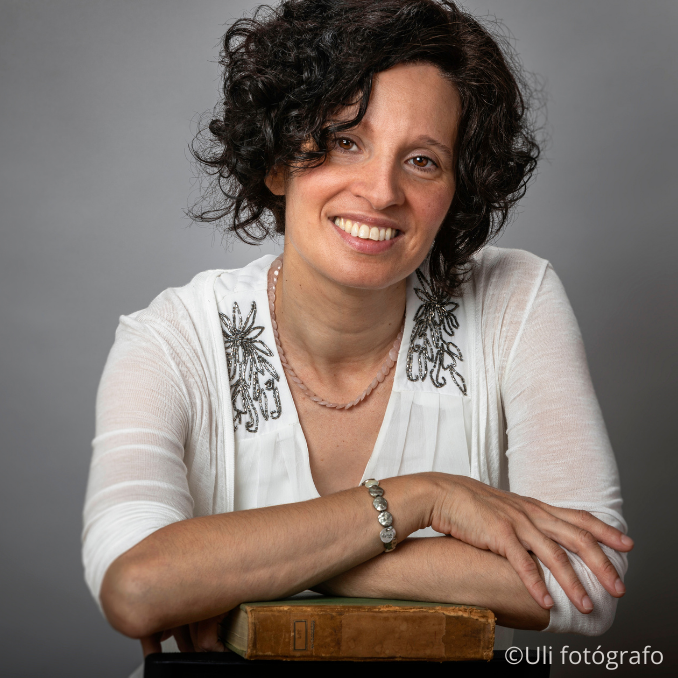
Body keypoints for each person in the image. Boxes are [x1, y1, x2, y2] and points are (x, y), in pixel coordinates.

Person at [82, 0, 632, 666]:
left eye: (423, 161)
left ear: (458, 189)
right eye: (345, 140)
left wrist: (257, 566)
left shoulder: (516, 298)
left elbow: (585, 587)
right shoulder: (170, 341)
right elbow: (139, 588)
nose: (380, 192)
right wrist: (420, 499)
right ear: (277, 161)